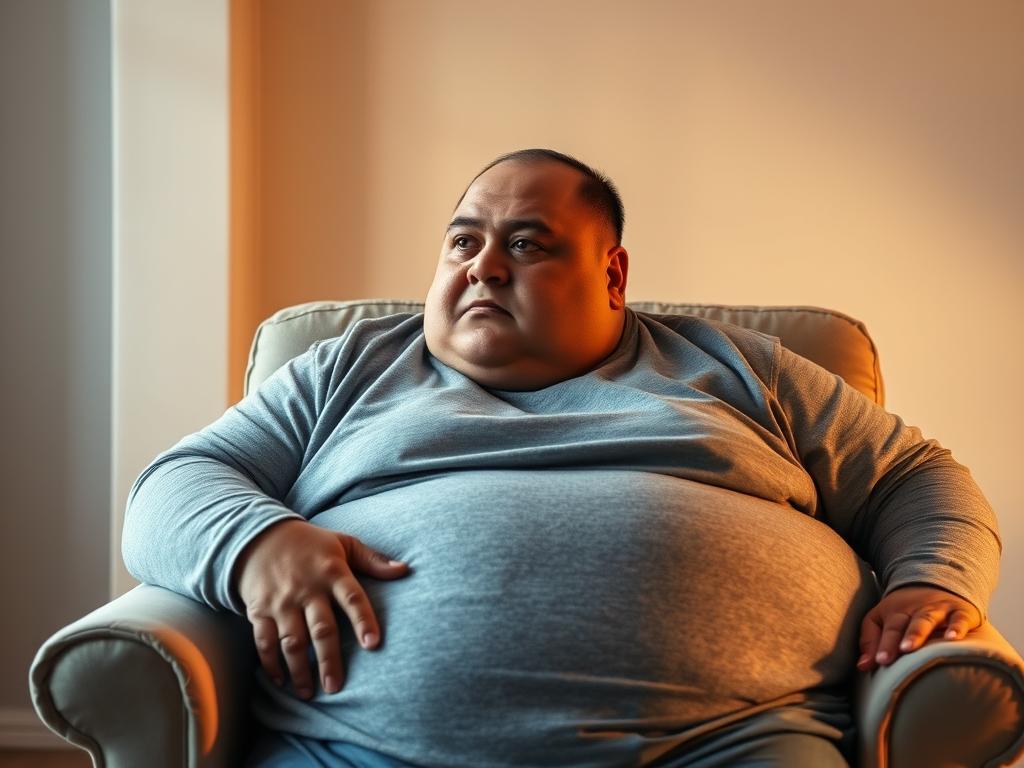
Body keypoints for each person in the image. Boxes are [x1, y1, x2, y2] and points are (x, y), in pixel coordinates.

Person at [123, 149, 1000, 767]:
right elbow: (172, 486)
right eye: (462, 241)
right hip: (357, 749)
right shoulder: (347, 367)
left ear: (613, 276)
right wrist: (254, 544)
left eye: (527, 244)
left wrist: (934, 579)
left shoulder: (742, 368)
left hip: (737, 742)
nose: (483, 267)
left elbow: (917, 478)